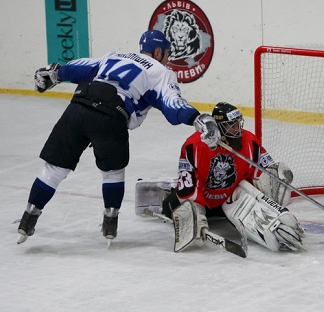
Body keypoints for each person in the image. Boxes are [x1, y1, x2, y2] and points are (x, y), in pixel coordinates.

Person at [17, 30, 220, 244]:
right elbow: (172, 105)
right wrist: (197, 118)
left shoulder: (115, 56)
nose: (168, 59)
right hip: (111, 116)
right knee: (113, 172)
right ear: (158, 51)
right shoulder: (161, 72)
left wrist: (55, 73)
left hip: (77, 107)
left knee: (54, 169)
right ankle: (110, 225)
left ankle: (28, 218)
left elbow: (79, 68)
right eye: (167, 54)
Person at [136, 102, 305, 252]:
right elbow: (188, 187)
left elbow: (264, 173)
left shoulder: (250, 142)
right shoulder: (194, 146)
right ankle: (167, 195)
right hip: (202, 198)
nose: (237, 129)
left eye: (238, 124)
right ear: (220, 127)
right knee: (173, 206)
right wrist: (197, 213)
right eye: (232, 126)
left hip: (231, 200)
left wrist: (275, 176)